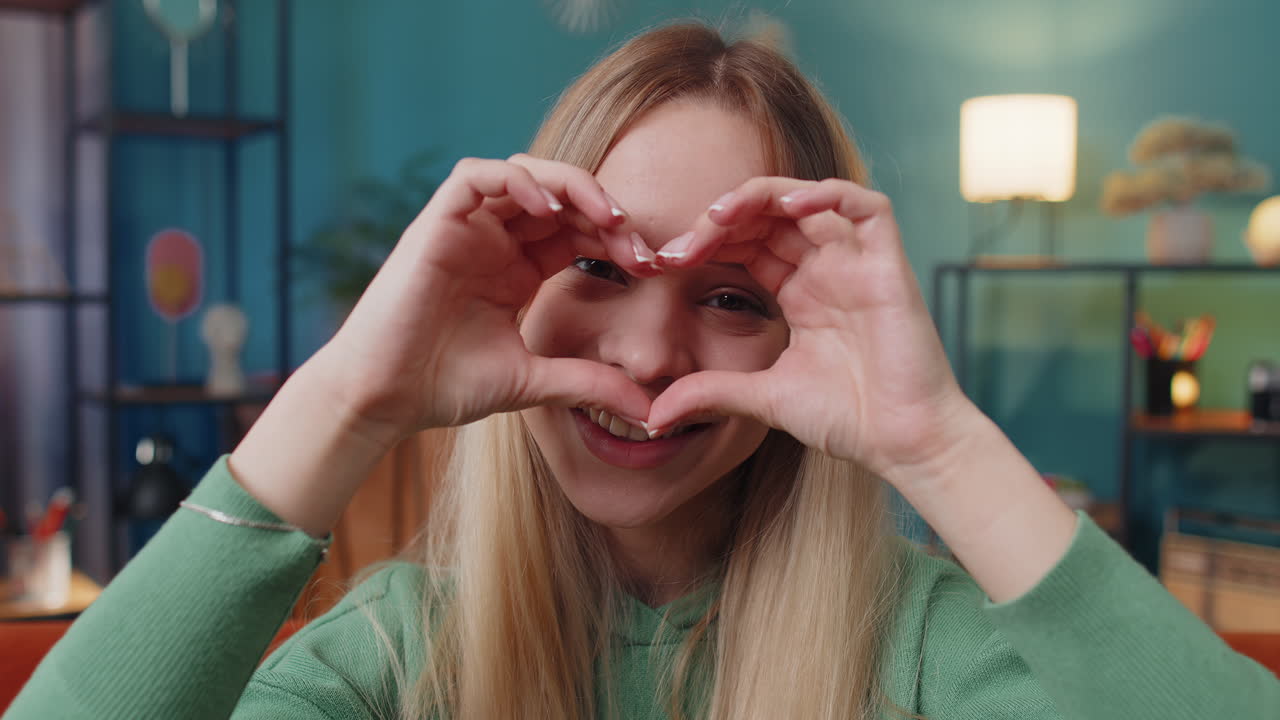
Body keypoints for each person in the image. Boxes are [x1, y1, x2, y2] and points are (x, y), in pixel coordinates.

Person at [7, 21, 1276, 720]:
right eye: (601, 268)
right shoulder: (395, 661)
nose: (651, 359)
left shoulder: (927, 656)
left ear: (802, 331)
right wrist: (347, 396)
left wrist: (934, 441)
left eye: (729, 296)